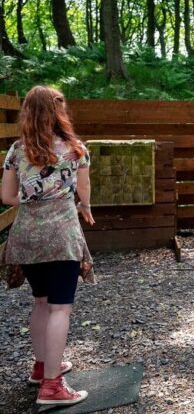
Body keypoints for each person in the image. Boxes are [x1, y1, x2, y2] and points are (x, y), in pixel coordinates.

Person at [1, 86, 96, 406]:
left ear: (27, 112)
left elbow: (7, 197)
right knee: (60, 308)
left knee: (40, 302)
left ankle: (42, 368)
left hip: (25, 236)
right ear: (59, 111)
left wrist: (33, 197)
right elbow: (84, 192)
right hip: (61, 237)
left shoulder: (16, 151)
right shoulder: (76, 149)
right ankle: (53, 386)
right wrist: (83, 205)